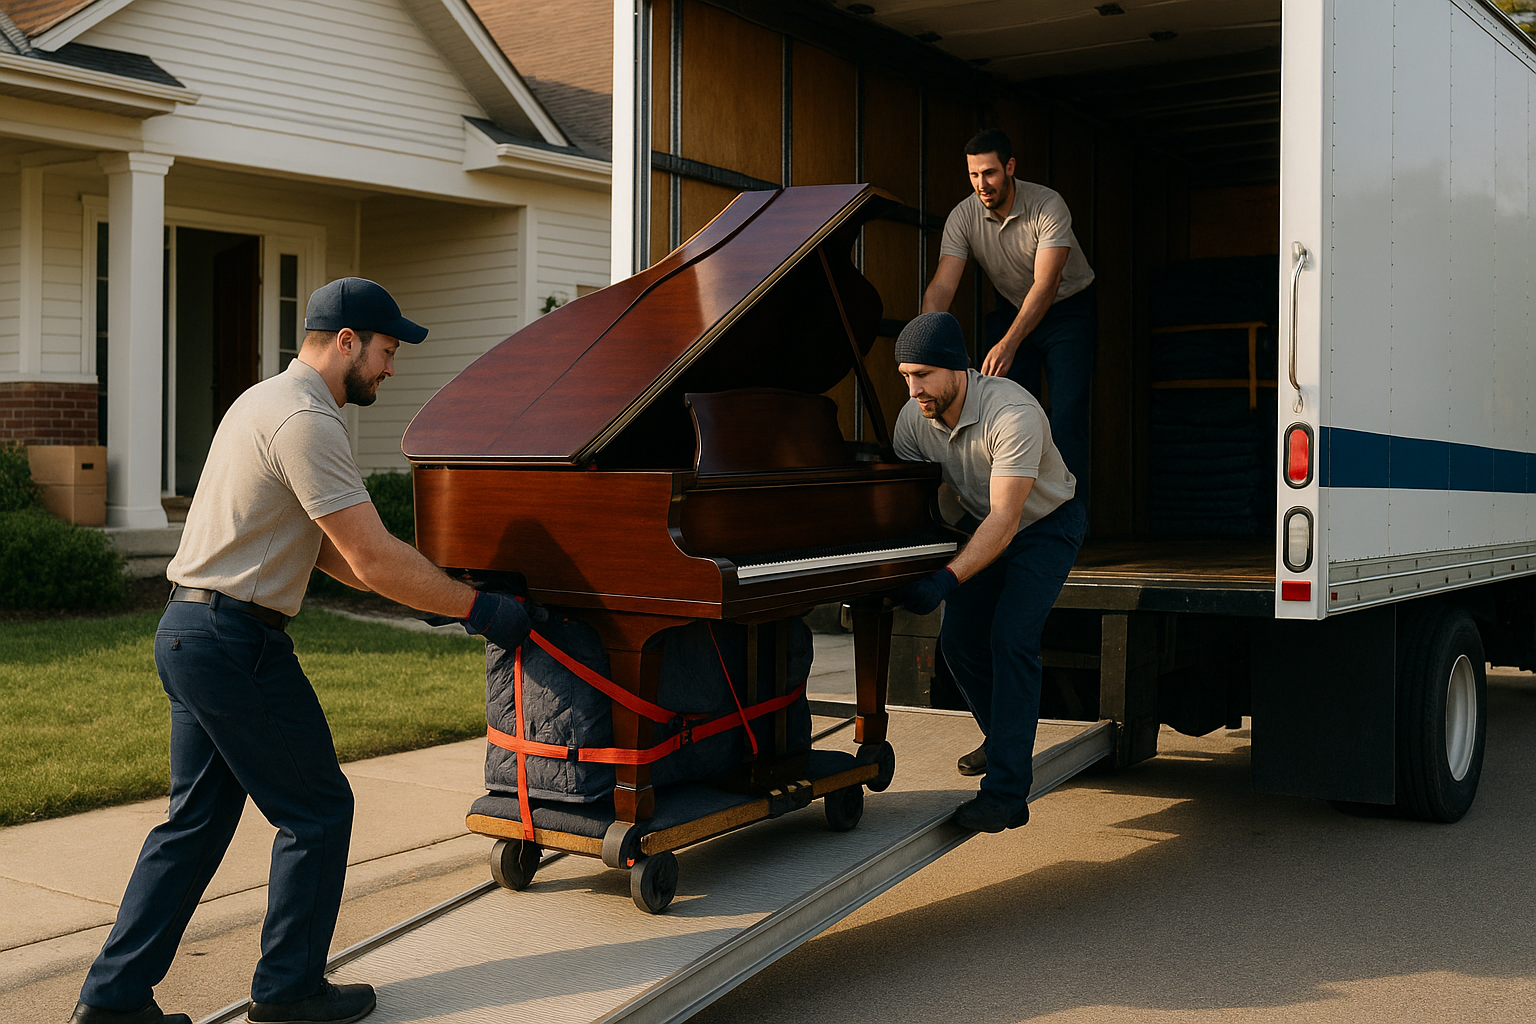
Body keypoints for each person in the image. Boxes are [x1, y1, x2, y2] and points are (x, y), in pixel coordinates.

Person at [71, 279, 530, 1024]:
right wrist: (483, 610)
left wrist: (435, 599)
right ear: (347, 341)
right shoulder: (307, 420)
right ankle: (289, 991)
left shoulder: (260, 401)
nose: (391, 368)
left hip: (188, 631)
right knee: (316, 811)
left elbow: (326, 550)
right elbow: (372, 553)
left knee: (193, 825)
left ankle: (113, 1000)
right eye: (387, 351)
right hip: (235, 642)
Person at [891, 311, 1087, 832]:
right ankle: (1003, 740)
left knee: (1010, 639)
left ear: (957, 367)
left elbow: (1005, 520)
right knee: (958, 642)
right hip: (982, 525)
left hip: (1045, 525)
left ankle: (1005, 795)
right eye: (906, 376)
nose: (913, 389)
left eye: (923, 375)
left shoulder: (1012, 412)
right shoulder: (913, 419)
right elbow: (913, 504)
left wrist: (945, 579)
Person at [922, 127, 1097, 507]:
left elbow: (1047, 284)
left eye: (989, 173)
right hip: (1011, 308)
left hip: (1067, 309)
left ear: (1010, 167)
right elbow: (942, 286)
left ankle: (1071, 521)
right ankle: (1013, 516)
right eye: (973, 174)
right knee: (1009, 415)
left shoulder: (1047, 204)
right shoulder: (963, 215)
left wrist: (1009, 343)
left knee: (1067, 416)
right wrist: (923, 346)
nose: (981, 184)